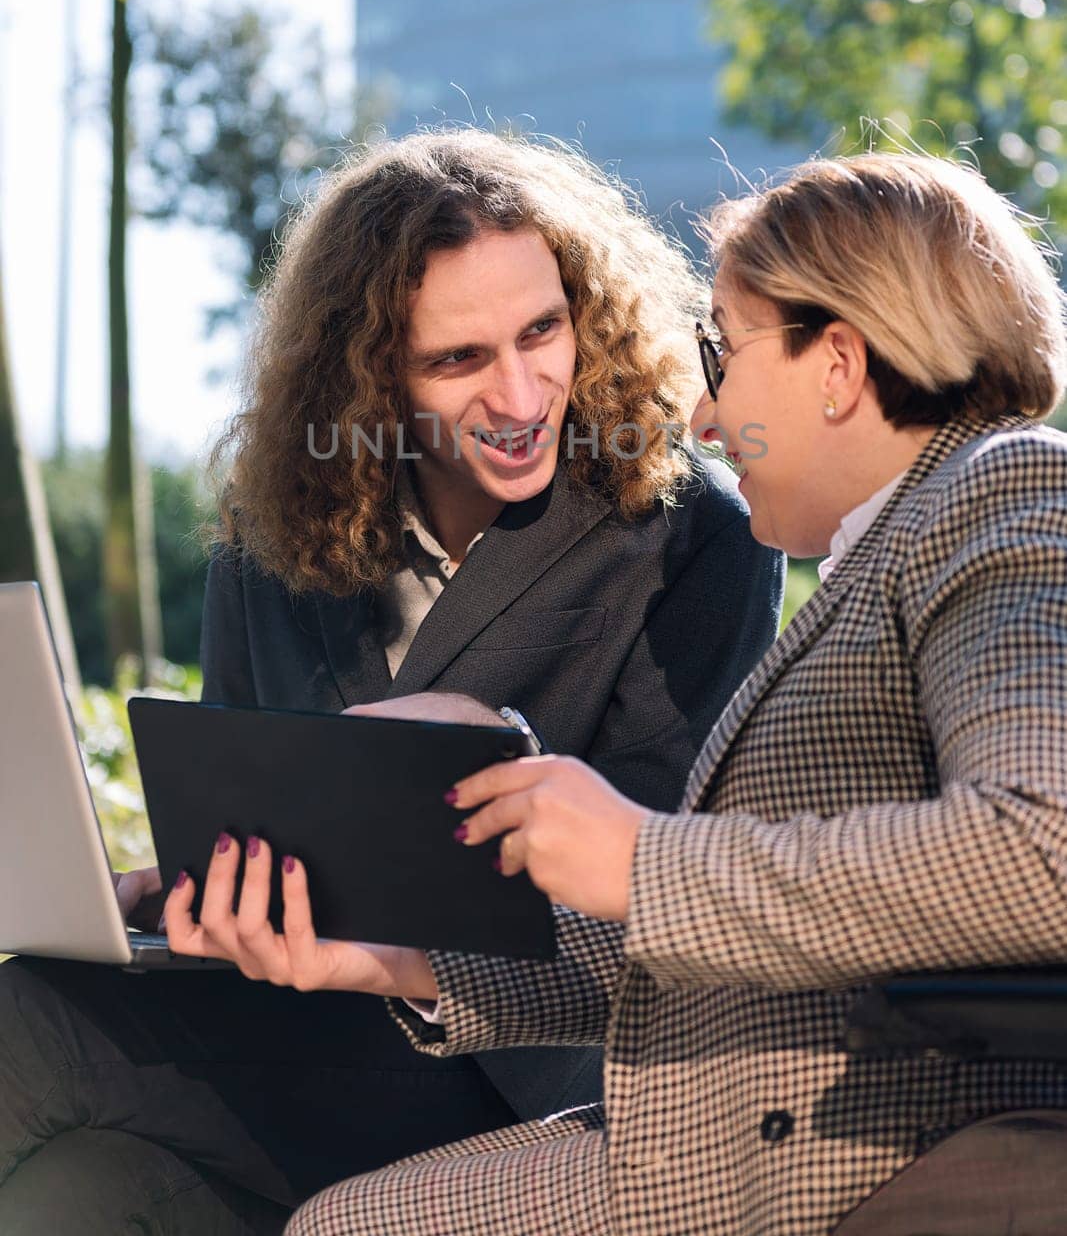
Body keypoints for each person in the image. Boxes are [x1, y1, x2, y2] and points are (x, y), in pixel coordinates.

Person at [166, 148, 1067, 1236]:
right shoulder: (885, 558)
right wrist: (400, 959)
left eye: (720, 353)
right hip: (722, 1130)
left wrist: (638, 855)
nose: (701, 415)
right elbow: (715, 924)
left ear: (835, 364)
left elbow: (1044, 844)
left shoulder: (1003, 488)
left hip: (826, 1147)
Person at [0, 129, 783, 1233]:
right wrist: (189, 892)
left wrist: (486, 741)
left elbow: (670, 886)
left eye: (541, 331)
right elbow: (239, 806)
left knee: (25, 1024)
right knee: (72, 1194)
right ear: (370, 375)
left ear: (583, 314)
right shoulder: (265, 545)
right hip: (281, 1033)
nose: (520, 393)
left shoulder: (692, 539)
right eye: (457, 360)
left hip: (524, 1082)